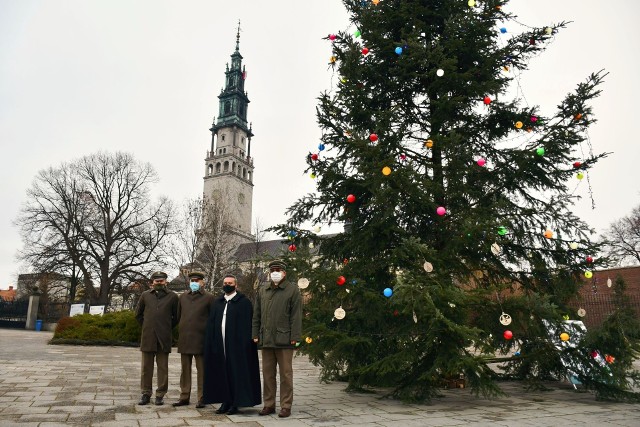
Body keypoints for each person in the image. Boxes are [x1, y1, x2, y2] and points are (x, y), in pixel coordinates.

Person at [202, 274, 261, 415]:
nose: (227, 284)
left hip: (237, 346)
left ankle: (236, 402)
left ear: (236, 285)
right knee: (222, 373)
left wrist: (246, 343)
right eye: (225, 282)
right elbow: (211, 323)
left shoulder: (244, 302)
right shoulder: (218, 302)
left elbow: (247, 324)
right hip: (220, 344)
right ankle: (225, 401)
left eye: (230, 283)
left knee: (236, 372)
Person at [252, 260, 302, 418]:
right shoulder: (263, 290)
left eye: (278, 270)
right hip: (266, 339)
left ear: (284, 273)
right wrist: (254, 334)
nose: (275, 272)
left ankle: (286, 406)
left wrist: (295, 337)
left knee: (286, 375)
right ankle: (269, 404)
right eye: (272, 269)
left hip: (284, 339)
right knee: (267, 374)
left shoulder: (292, 290)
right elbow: (256, 314)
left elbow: (296, 316)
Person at [135, 271, 179, 406]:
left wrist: (165, 327)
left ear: (166, 281)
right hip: (148, 336)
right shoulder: (145, 295)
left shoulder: (172, 297)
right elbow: (138, 314)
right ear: (152, 282)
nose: (159, 283)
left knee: (162, 368)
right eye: (156, 281)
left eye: (161, 280)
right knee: (146, 368)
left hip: (163, 338)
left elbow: (176, 317)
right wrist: (148, 326)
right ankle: (145, 394)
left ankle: (160, 394)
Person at [173, 271, 215, 408]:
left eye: (197, 281)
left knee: (202, 371)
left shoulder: (209, 298)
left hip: (201, 339)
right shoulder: (183, 297)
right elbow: (179, 316)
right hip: (185, 338)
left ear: (203, 282)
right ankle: (184, 396)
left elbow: (213, 319)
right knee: (185, 370)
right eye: (192, 281)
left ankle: (202, 397)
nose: (194, 283)